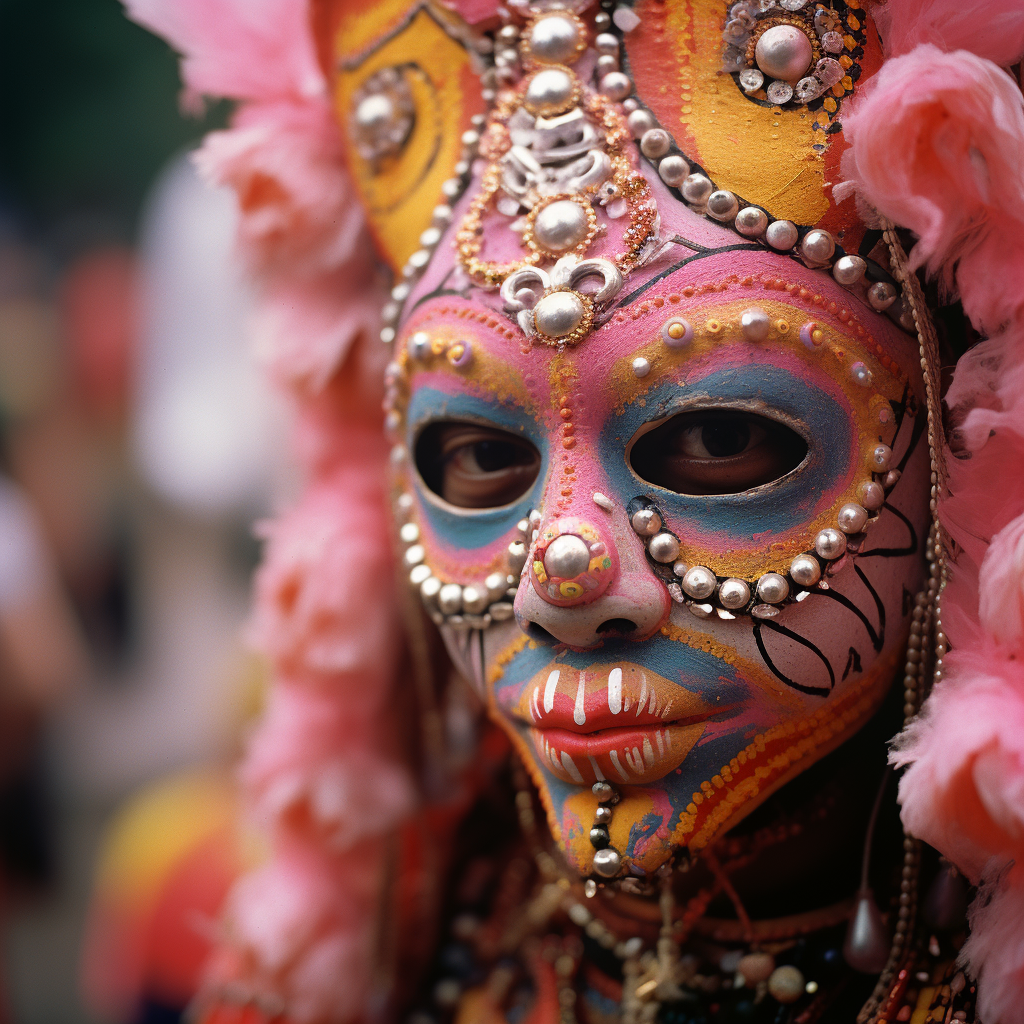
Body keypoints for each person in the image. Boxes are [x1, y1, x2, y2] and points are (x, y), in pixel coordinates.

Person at [118, 1, 1024, 1023]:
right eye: (477, 457)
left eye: (716, 440)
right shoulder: (389, 955)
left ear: (971, 442)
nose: (566, 577)